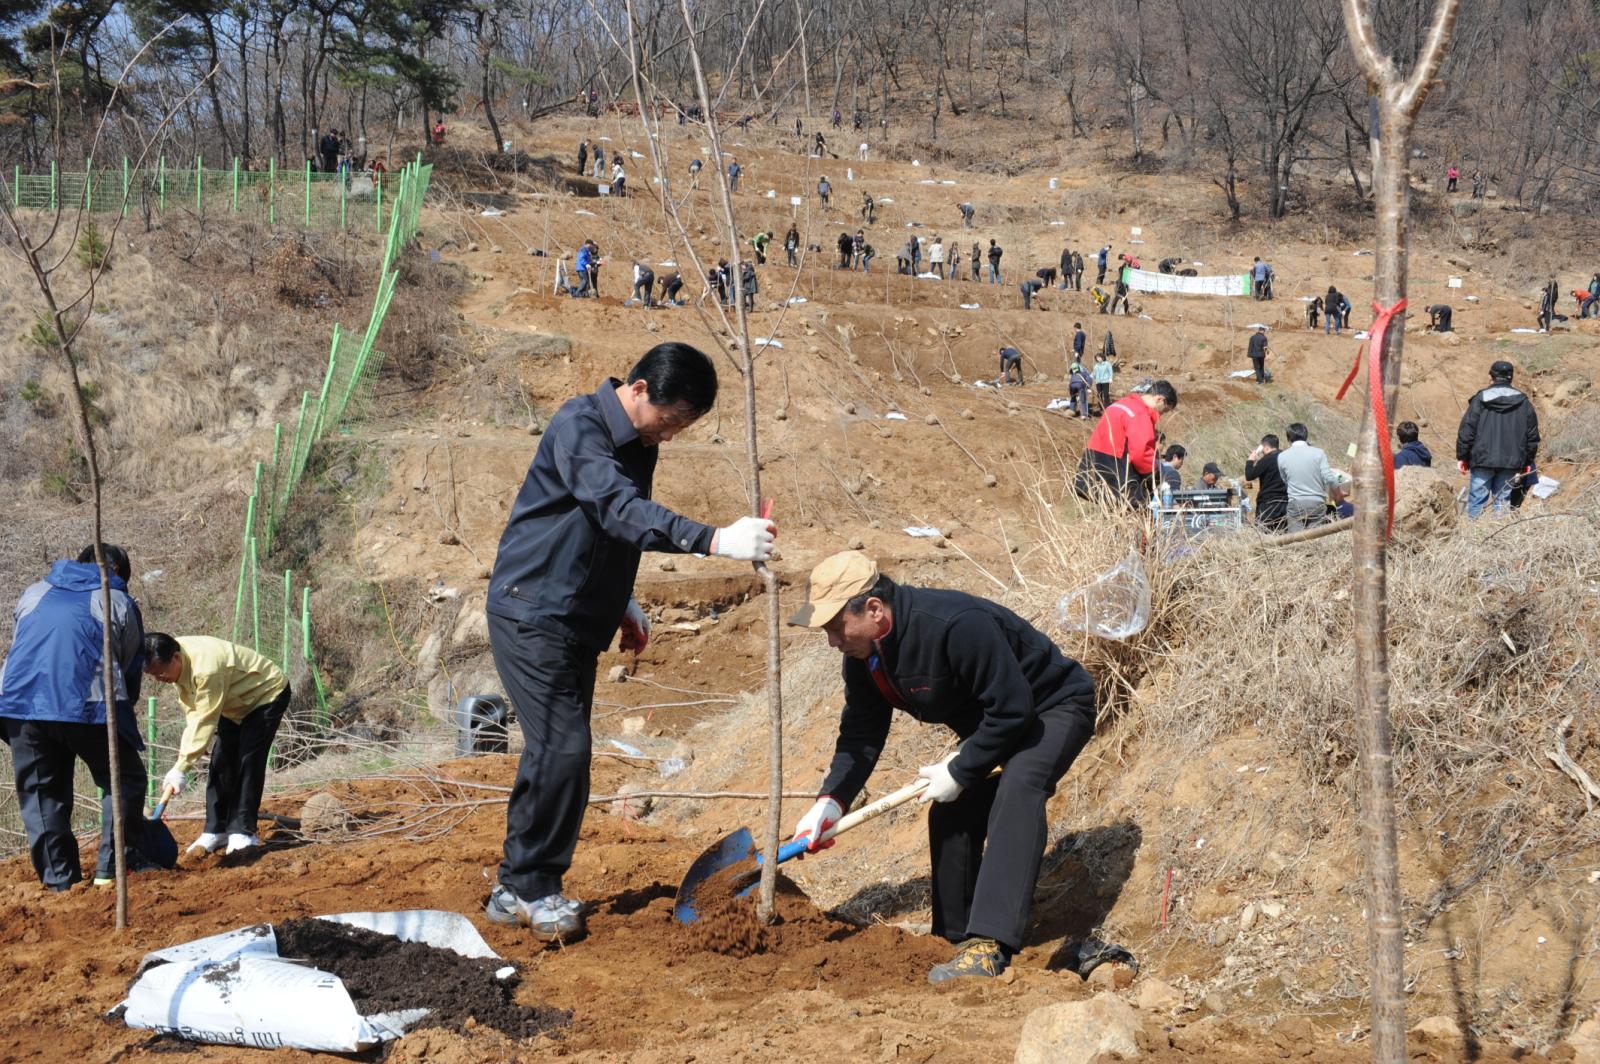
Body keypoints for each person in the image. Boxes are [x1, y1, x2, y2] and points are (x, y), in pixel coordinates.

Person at [483, 344, 777, 940]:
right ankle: (535, 889)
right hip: (532, 611)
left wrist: (619, 600)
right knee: (564, 750)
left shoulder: (638, 441)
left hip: (573, 614)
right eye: (667, 421)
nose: (667, 436)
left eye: (679, 429)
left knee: (551, 752)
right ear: (639, 389)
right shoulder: (580, 426)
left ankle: (515, 886)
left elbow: (601, 530)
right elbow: (619, 509)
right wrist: (714, 540)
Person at [786, 552, 1097, 983]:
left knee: (1020, 787)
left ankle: (989, 944)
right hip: (997, 721)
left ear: (873, 609)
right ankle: (952, 939)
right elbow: (861, 733)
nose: (832, 641)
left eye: (837, 627)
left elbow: (1013, 709)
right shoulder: (866, 655)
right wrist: (831, 801)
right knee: (952, 810)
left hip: (1052, 707)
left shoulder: (955, 624)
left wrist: (961, 768)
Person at [0, 545, 176, 890]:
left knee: (42, 793)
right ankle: (112, 870)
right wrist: (124, 713)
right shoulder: (117, 600)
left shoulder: (34, 592)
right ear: (117, 571)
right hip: (88, 703)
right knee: (124, 779)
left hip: (19, 703)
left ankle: (60, 883)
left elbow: (24, 642)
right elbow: (129, 663)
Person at [141, 633, 290, 857]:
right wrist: (191, 749)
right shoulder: (173, 658)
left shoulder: (206, 669)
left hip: (265, 695)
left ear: (176, 658)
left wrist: (182, 767)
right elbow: (192, 710)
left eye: (160, 673)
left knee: (248, 760)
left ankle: (243, 832)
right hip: (232, 703)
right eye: (153, 675)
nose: (158, 679)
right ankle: (216, 829)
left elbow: (204, 719)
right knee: (221, 762)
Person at [1456, 360, 1540, 518]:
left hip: (1482, 459)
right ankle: (1497, 532)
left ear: (1490, 376)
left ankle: (1473, 533)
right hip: (1511, 461)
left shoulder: (1480, 399)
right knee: (1502, 501)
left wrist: (1462, 456)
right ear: (1511, 377)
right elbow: (1532, 436)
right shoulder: (1524, 402)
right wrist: (1527, 461)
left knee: (1477, 501)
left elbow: (1467, 431)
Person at [1074, 381, 1179, 505]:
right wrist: (1155, 477)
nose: (1161, 415)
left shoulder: (1120, 404)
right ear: (1160, 400)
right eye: (1164, 411)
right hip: (1117, 469)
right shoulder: (1139, 413)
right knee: (1138, 508)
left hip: (1093, 466)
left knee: (1111, 508)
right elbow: (1141, 453)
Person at [1278, 423, 1344, 532]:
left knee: (1295, 539)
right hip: (1316, 503)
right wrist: (1338, 492)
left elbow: (1285, 480)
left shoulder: (1282, 457)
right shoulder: (1319, 453)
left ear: (1288, 438)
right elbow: (1328, 477)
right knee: (1315, 538)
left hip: (1296, 503)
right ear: (1306, 436)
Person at [1245, 436, 1288, 532]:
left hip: (1268, 503)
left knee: (1264, 533)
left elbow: (1249, 475)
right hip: (1285, 502)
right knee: (1283, 533)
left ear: (1265, 447)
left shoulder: (1266, 460)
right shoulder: (1286, 457)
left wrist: (1250, 461)